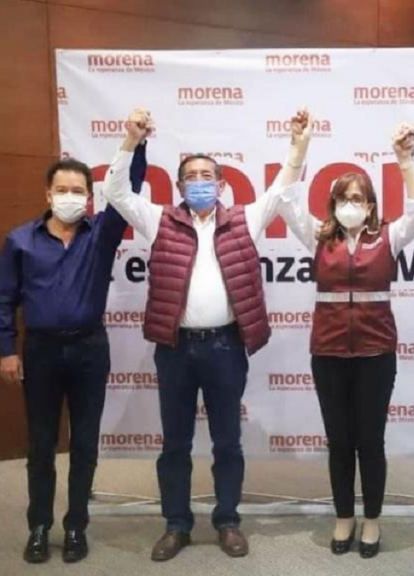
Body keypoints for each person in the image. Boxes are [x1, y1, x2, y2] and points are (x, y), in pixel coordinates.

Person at [100, 107, 309, 561]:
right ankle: (176, 525)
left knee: (227, 442)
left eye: (207, 176)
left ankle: (227, 521)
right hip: (175, 349)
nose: (199, 182)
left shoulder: (245, 220)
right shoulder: (158, 220)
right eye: (191, 177)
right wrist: (130, 141)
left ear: (221, 185)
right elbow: (114, 191)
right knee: (174, 443)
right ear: (179, 187)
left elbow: (281, 188)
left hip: (225, 347)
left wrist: (298, 145)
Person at [0, 112, 150, 564]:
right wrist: (6, 350)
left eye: (78, 190)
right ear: (48, 194)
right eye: (61, 190)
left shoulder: (102, 234)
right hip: (40, 350)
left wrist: (136, 143)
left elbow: (129, 186)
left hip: (88, 349)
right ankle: (39, 526)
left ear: (90, 197)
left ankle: (76, 525)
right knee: (41, 445)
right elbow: (4, 300)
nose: (69, 197)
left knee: (84, 443)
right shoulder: (20, 241)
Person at [276, 117, 414, 558]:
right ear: (332, 204)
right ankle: (344, 516)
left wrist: (405, 160)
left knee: (370, 441)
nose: (350, 205)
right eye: (343, 198)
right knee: (339, 441)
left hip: (375, 353)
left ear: (370, 204)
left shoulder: (388, 237)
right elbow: (284, 200)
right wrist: (297, 150)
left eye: (357, 198)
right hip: (328, 353)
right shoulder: (318, 236)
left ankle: (372, 519)